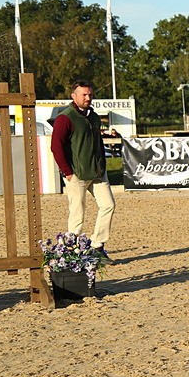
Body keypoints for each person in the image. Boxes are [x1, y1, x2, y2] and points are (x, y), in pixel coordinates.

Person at [51, 80, 116, 261]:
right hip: (76, 175)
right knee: (77, 214)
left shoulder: (94, 117)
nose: (88, 98)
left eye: (90, 94)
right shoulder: (65, 118)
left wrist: (102, 164)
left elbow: (98, 143)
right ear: (74, 96)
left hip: (97, 173)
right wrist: (68, 172)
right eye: (84, 95)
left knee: (108, 205)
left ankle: (97, 246)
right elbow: (56, 147)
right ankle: (71, 252)